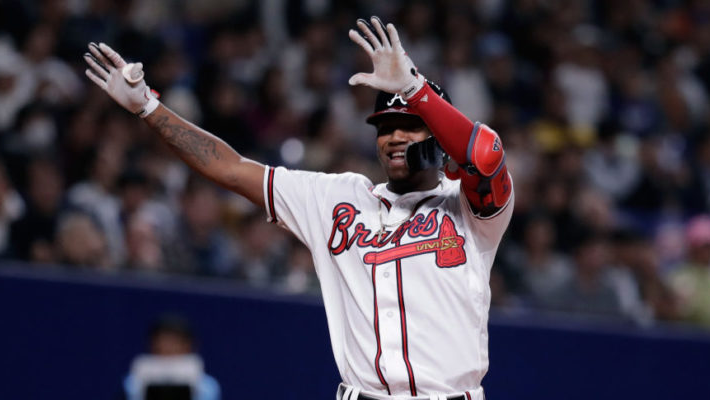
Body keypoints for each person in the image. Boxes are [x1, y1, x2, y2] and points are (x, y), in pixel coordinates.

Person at [85, 16, 513, 400]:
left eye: (409, 126)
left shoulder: (470, 208)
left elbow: (486, 154)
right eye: (384, 128)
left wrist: (414, 90)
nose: (394, 137)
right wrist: (148, 107)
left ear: (437, 136)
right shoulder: (337, 198)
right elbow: (231, 169)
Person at [123, 314, 221, 400]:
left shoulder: (207, 386)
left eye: (174, 343)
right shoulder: (132, 383)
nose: (167, 347)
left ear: (187, 346)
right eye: (162, 342)